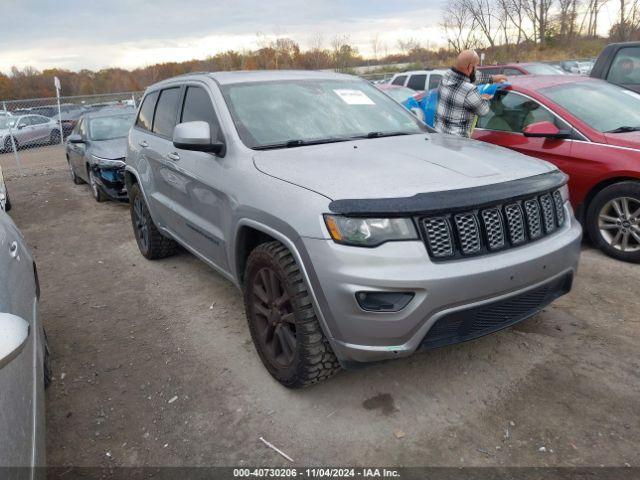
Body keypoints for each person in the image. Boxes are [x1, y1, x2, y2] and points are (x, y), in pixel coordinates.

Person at [435, 50, 507, 137]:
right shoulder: (469, 90)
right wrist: (484, 98)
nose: (476, 69)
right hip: (457, 143)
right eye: (475, 67)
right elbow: (484, 111)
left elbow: (472, 76)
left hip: (439, 136)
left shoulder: (446, 76)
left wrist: (493, 78)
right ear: (470, 67)